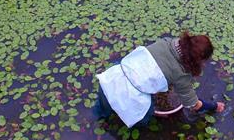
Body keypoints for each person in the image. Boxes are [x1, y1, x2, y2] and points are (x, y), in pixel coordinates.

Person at [94, 32, 225, 128]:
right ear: (198, 61)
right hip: (131, 95)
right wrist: (214, 106)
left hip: (112, 78)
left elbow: (156, 68)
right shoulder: (182, 75)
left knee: (102, 110)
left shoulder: (167, 42)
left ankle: (97, 119)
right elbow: (194, 105)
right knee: (142, 119)